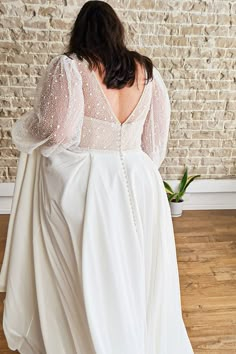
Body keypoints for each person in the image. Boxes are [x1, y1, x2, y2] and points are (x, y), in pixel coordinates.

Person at [0, 1, 194, 353]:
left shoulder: (70, 68)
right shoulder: (147, 71)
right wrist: (128, 163)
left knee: (90, 264)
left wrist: (25, 129)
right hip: (139, 180)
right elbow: (154, 146)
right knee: (136, 263)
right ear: (117, 30)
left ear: (80, 32)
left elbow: (57, 131)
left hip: (89, 183)